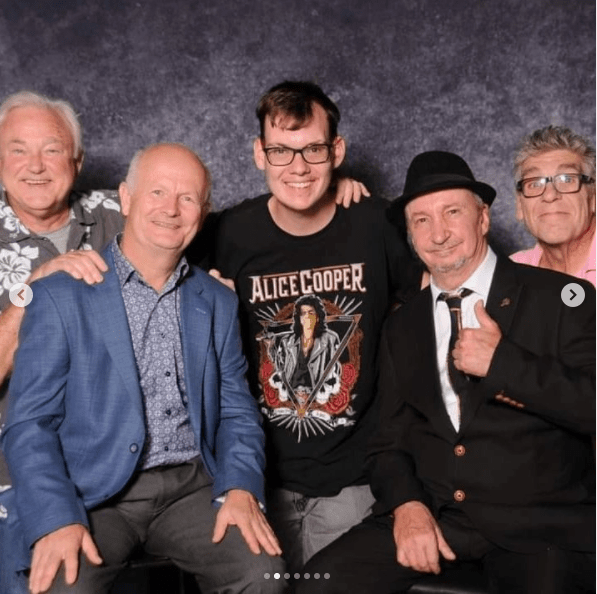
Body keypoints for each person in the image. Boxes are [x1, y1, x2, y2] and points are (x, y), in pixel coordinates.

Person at [298, 150, 595, 594]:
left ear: (483, 218)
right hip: (438, 514)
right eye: (421, 220)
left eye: (452, 212)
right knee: (317, 585)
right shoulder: (402, 324)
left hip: (539, 527)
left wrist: (505, 366)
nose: (438, 234)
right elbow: (388, 441)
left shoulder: (563, 298)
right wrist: (406, 505)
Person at [0, 143, 286, 594]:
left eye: (187, 198)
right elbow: (28, 425)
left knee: (264, 574)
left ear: (203, 211)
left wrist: (241, 487)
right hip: (95, 491)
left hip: (192, 487)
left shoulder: (218, 302)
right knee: (61, 585)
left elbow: (236, 411)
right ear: (126, 199)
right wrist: (56, 516)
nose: (171, 209)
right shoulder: (60, 295)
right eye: (156, 192)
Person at [210, 80, 420, 573]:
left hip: (355, 479)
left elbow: (437, 294)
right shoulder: (228, 233)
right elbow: (151, 259)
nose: (298, 167)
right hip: (258, 478)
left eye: (313, 150)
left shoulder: (375, 223)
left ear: (337, 151)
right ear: (259, 153)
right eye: (281, 150)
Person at [0, 91, 122, 491]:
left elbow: (191, 212)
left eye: (52, 150)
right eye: (18, 151)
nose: (36, 166)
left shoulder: (122, 215)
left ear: (78, 161)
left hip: (120, 467)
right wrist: (30, 290)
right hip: (14, 477)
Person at [511, 125, 595, 285]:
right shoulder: (508, 278)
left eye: (567, 180)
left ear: (593, 197)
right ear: (520, 206)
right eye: (534, 183)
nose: (549, 195)